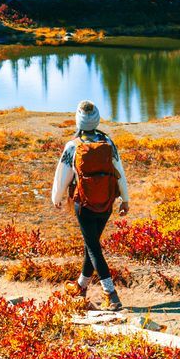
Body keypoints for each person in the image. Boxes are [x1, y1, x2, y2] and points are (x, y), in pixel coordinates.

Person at [48, 100, 130, 312]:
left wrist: (56, 197)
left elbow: (62, 175)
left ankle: (111, 294)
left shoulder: (73, 146)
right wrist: (125, 199)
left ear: (78, 119)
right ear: (97, 118)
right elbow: (119, 170)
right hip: (106, 203)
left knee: (93, 247)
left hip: (83, 204)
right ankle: (80, 287)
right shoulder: (108, 142)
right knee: (90, 245)